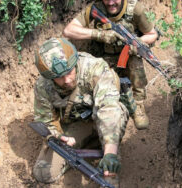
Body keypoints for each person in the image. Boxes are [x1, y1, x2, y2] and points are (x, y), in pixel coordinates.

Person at [63, 0, 158, 130]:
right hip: (103, 57)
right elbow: (68, 31)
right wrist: (100, 35)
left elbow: (152, 34)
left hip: (127, 58)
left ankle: (138, 105)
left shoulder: (136, 9)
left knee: (136, 58)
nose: (110, 3)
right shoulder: (96, 8)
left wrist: (137, 42)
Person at [32, 37, 128, 186]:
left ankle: (109, 152)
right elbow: (45, 120)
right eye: (59, 77)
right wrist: (57, 136)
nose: (67, 80)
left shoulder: (95, 68)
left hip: (107, 120)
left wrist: (110, 152)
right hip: (78, 124)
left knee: (117, 114)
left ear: (75, 62)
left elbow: (108, 108)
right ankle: (92, 142)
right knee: (43, 172)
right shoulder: (43, 86)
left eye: (69, 71)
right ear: (49, 77)